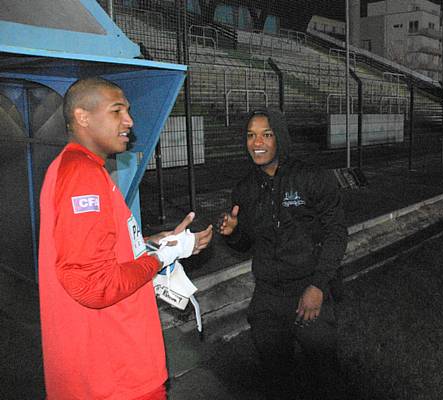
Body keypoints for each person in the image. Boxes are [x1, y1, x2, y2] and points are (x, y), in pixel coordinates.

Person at [38, 77, 213, 399]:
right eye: (117, 111)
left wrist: (152, 243)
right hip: (114, 372)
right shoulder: (83, 176)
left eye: (128, 111)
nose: (129, 120)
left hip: (100, 368)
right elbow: (92, 284)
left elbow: (98, 249)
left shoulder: (75, 168)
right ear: (82, 117)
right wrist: (160, 258)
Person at [218, 108, 348, 397]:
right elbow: (246, 244)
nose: (257, 142)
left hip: (309, 290)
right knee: (276, 378)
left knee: (325, 376)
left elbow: (336, 234)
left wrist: (318, 285)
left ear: (281, 137)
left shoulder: (312, 178)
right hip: (266, 298)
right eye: (251, 135)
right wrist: (234, 233)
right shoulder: (245, 189)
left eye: (266, 134)